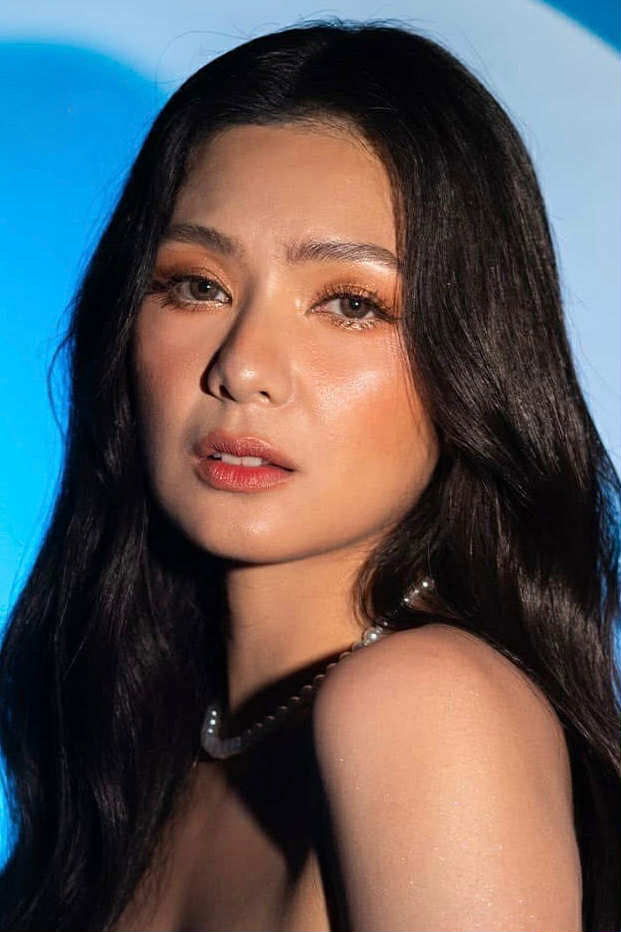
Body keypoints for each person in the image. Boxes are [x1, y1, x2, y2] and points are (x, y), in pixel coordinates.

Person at [0, 19, 619, 932]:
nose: (243, 366)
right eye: (197, 285)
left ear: (473, 358)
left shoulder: (428, 706)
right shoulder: (148, 746)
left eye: (351, 304)